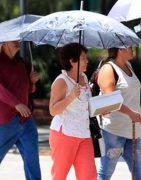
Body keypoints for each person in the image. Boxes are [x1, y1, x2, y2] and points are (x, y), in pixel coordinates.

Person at [0, 41, 41, 180]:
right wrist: (16, 103)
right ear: (4, 43)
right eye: (14, 41)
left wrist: (32, 82)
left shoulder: (20, 63)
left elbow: (27, 89)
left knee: (32, 158)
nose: (18, 43)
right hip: (6, 121)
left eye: (18, 40)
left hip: (26, 119)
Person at [48, 43, 96, 180]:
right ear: (72, 61)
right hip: (64, 134)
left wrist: (100, 109)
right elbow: (52, 110)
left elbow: (85, 105)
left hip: (84, 134)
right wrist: (70, 97)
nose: (87, 61)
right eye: (83, 58)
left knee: (89, 176)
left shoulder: (84, 78)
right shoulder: (61, 82)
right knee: (60, 176)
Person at [97, 47, 141, 180]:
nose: (133, 49)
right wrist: (131, 113)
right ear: (120, 49)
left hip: (133, 130)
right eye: (129, 47)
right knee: (106, 172)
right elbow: (110, 100)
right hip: (114, 131)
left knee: (140, 174)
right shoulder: (108, 68)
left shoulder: (128, 66)